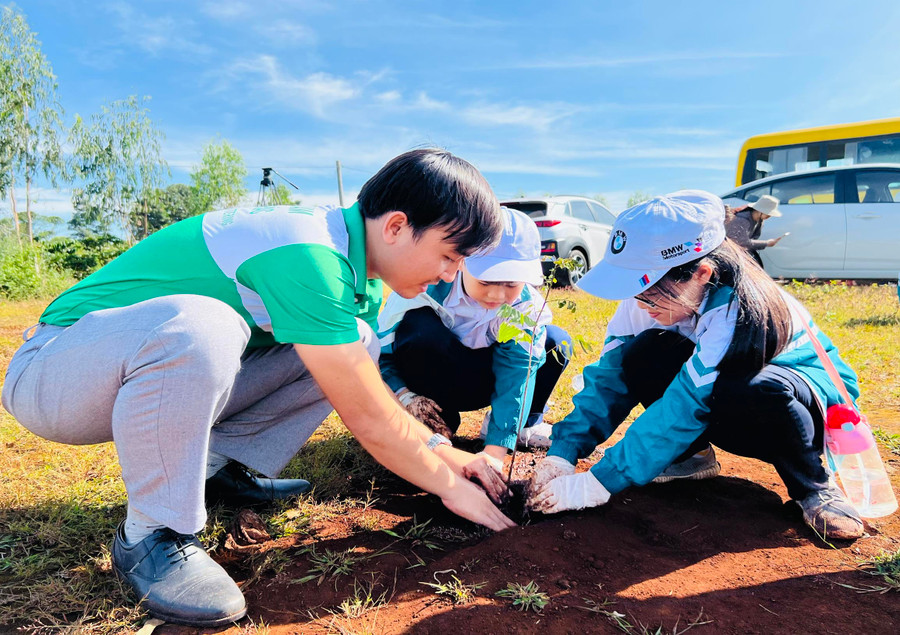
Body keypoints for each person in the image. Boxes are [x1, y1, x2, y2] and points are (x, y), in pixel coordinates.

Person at [1, 149, 517, 627]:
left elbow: (357, 382)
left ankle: (212, 468)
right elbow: (368, 418)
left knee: (352, 342)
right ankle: (154, 533)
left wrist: (443, 453)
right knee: (204, 324)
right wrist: (450, 488)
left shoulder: (359, 273)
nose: (451, 273)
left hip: (134, 369)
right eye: (450, 256)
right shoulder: (307, 254)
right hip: (55, 375)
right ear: (399, 226)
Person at [527, 190, 865, 542]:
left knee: (753, 386)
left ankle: (814, 486)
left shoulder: (738, 310)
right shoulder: (643, 302)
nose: (640, 305)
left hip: (803, 406)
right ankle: (691, 456)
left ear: (701, 273)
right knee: (643, 353)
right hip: (721, 399)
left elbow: (686, 404)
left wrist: (600, 481)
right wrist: (564, 452)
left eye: (649, 293)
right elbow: (610, 378)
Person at [377, 207, 572, 466]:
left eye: (511, 284)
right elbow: (381, 354)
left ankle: (521, 425)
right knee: (419, 329)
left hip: (485, 382)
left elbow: (517, 372)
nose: (497, 296)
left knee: (555, 342)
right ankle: (437, 417)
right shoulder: (425, 288)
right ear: (462, 262)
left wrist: (495, 452)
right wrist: (404, 396)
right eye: (486, 281)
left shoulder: (525, 308)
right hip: (431, 382)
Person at [725, 194, 784, 267]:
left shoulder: (759, 221)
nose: (770, 216)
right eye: (768, 214)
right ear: (760, 211)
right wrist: (767, 243)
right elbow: (742, 242)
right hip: (730, 255)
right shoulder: (742, 220)